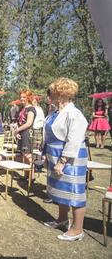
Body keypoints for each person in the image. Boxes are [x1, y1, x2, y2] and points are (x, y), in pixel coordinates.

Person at [42, 78, 88, 241]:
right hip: (54, 156)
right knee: (59, 189)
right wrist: (46, 156)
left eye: (52, 93)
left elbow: (74, 140)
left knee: (74, 192)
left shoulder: (74, 114)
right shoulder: (55, 113)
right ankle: (62, 219)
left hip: (70, 159)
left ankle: (77, 229)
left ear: (60, 95)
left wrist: (62, 162)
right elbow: (48, 136)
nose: (49, 96)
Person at [15, 90, 36, 165]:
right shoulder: (21, 108)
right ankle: (26, 175)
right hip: (21, 134)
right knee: (24, 154)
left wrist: (17, 130)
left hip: (27, 134)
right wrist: (18, 132)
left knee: (28, 155)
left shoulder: (31, 109)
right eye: (21, 97)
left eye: (24, 97)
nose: (21, 99)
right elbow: (19, 122)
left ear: (28, 98)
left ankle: (31, 176)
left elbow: (28, 123)